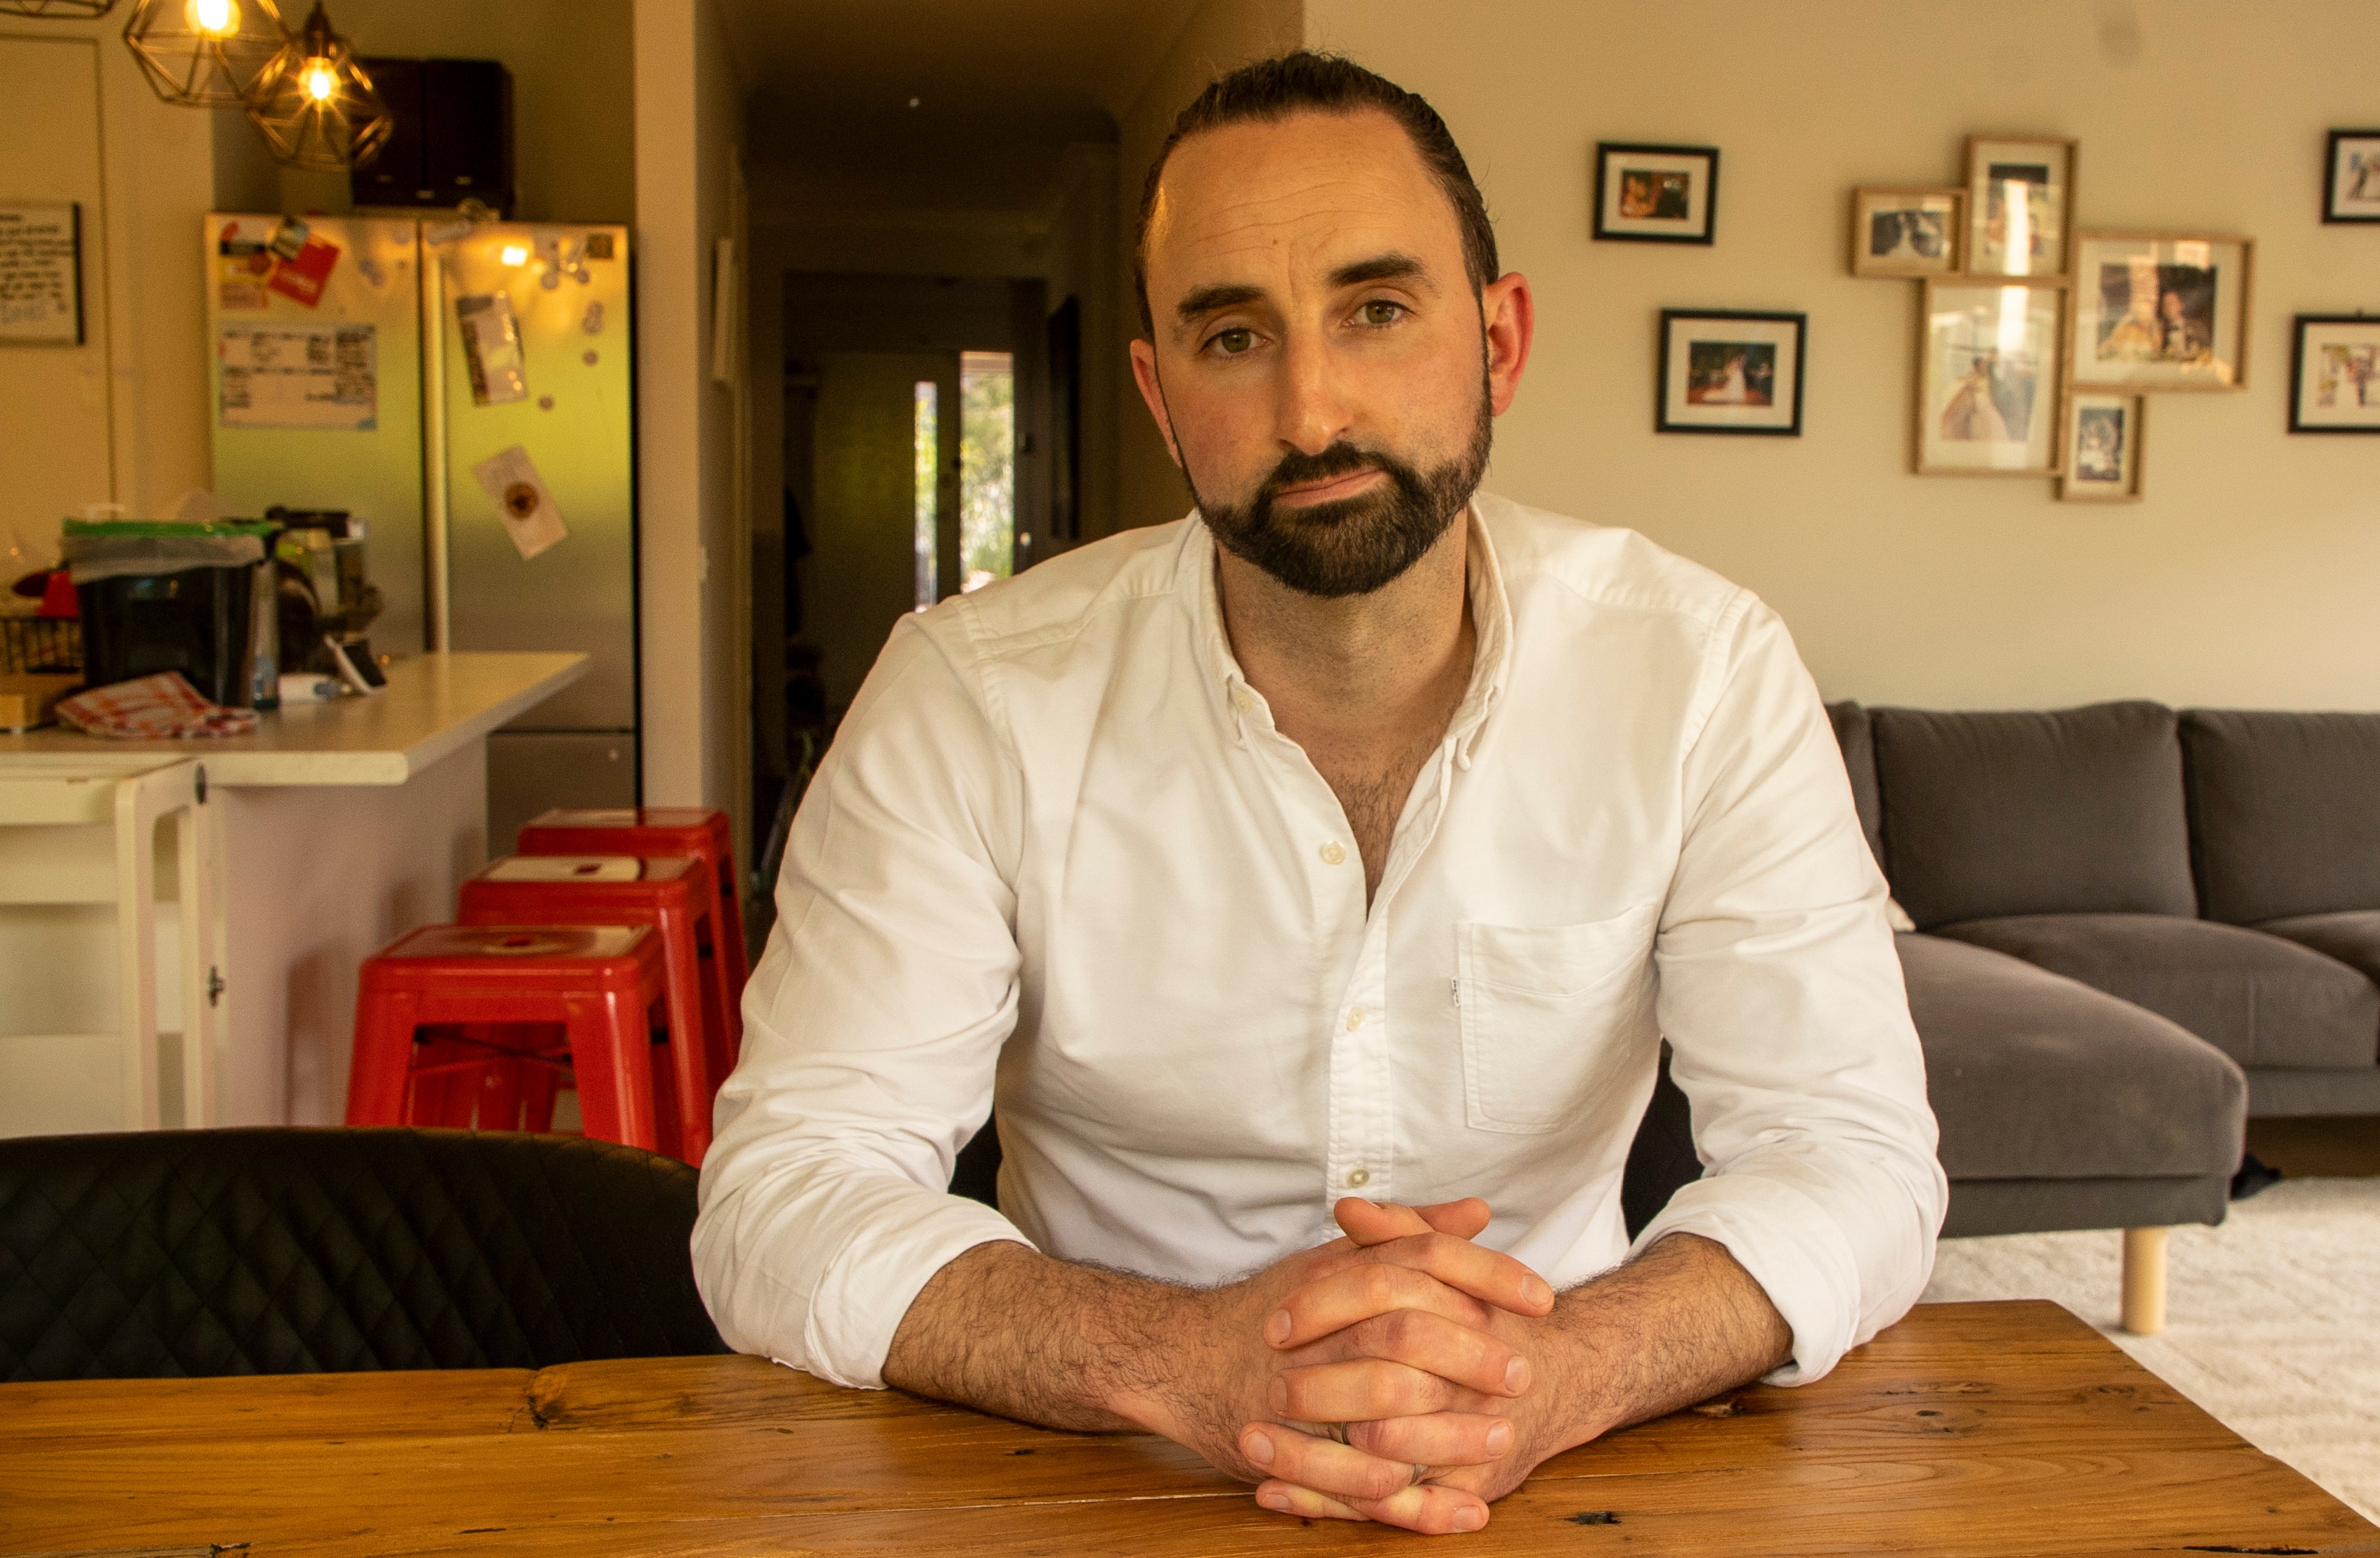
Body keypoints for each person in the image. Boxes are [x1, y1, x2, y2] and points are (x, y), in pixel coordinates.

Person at [692, 51, 1941, 1539]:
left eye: (1378, 309)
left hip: (1564, 1464)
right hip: (1090, 1474)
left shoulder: (1704, 671)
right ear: (1159, 392)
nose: (1312, 405)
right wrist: (1185, 1361)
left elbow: (1853, 1156)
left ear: (1501, 339)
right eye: (1234, 335)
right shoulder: (971, 695)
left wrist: (1556, 1369)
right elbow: (781, 1196)